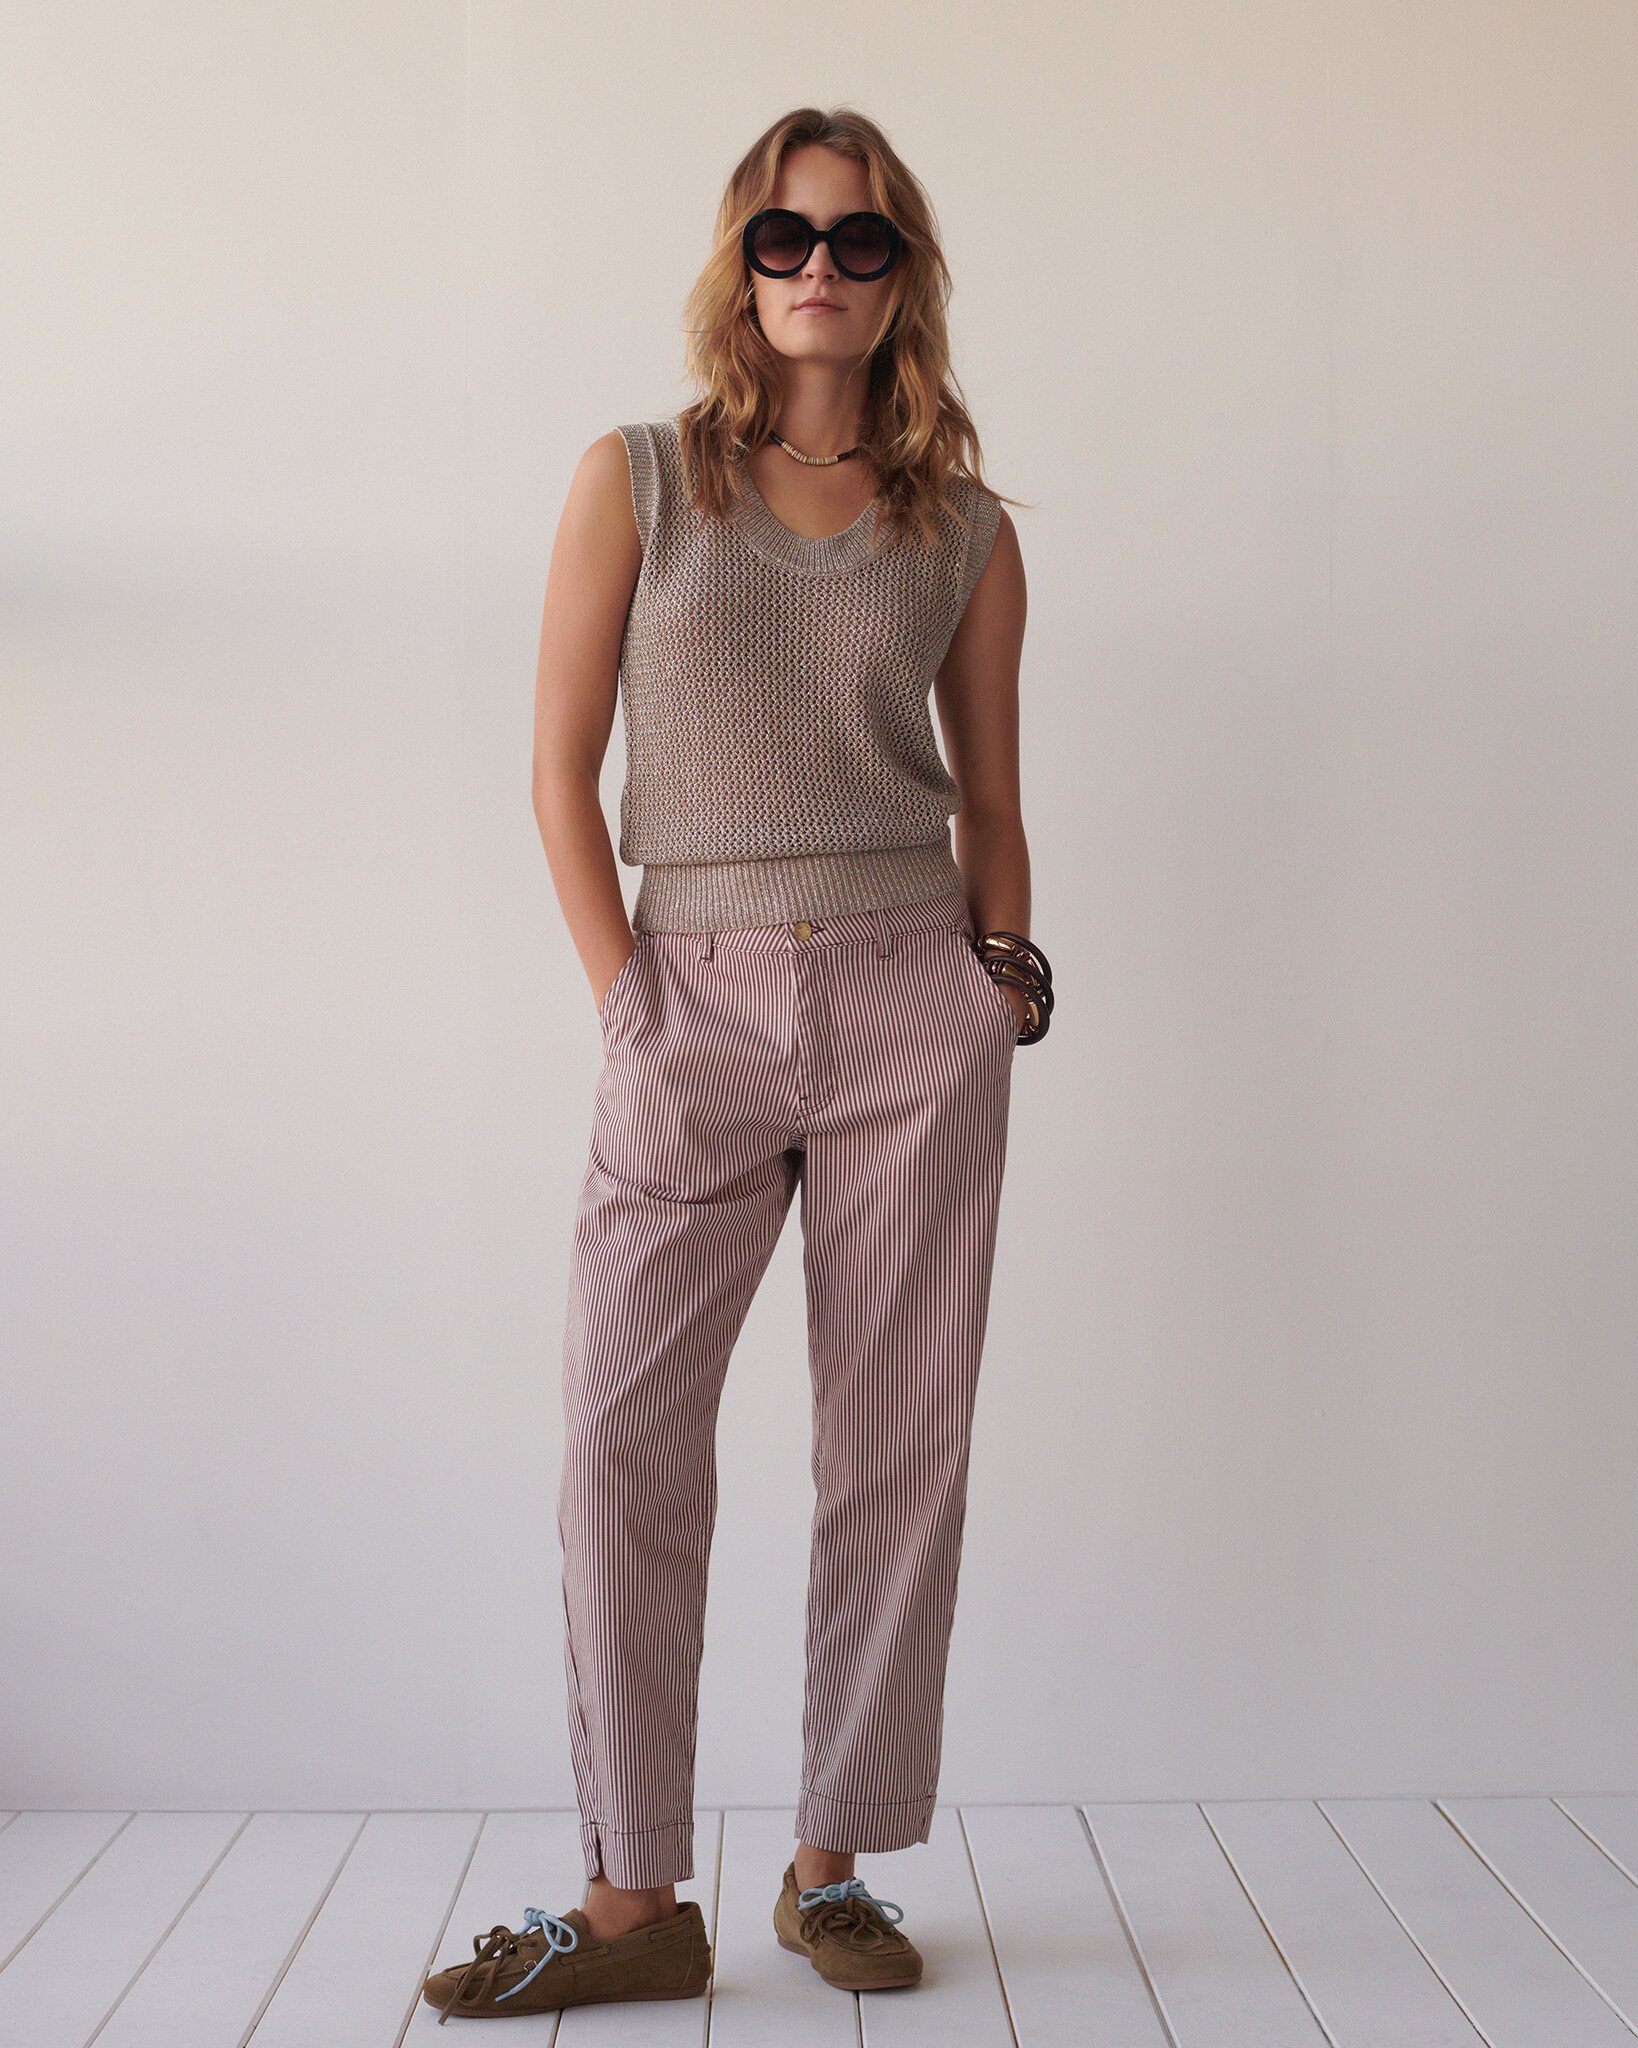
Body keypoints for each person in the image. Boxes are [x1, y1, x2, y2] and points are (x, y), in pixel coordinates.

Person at [422, 102, 1051, 2024]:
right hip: (684, 1003)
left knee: (895, 1449)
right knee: (619, 1444)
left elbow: (993, 798)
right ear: (741, 260)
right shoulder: (639, 479)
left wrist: (998, 987)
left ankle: (829, 1863)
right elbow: (557, 769)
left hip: (909, 1002)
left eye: (859, 241)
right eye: (786, 237)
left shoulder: (964, 530)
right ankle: (633, 1897)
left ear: (903, 275)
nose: (818, 271)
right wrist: (629, 1001)